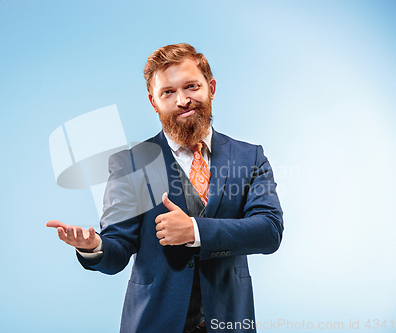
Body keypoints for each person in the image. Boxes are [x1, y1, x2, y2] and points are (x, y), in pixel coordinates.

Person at [47, 43, 283, 333]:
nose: (182, 100)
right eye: (168, 92)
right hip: (154, 322)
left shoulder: (250, 157)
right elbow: (118, 248)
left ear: (211, 87)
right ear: (153, 101)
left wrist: (194, 231)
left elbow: (269, 231)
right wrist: (94, 246)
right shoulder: (129, 164)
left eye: (191, 87)